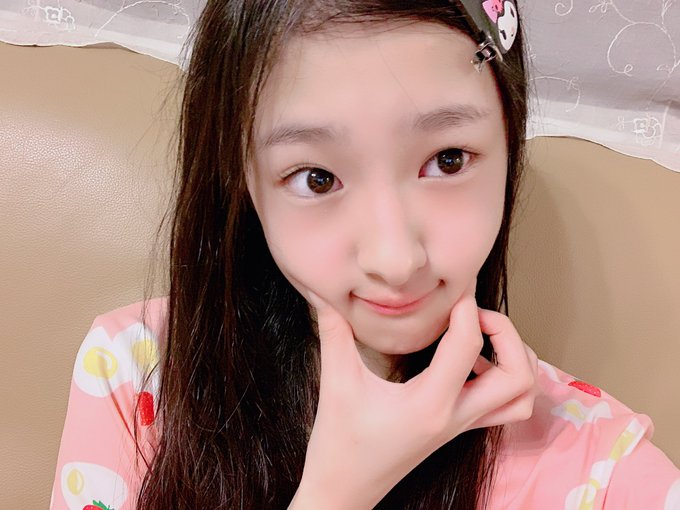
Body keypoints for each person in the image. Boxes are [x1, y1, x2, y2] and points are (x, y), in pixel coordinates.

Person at [50, 1, 680, 509]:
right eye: (317, 178)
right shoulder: (137, 372)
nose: (395, 259)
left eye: (448, 160)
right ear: (243, 181)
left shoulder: (602, 469)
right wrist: (338, 493)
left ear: (509, 146)